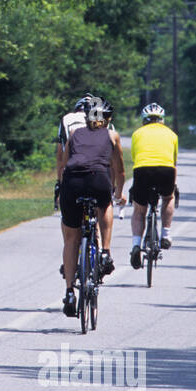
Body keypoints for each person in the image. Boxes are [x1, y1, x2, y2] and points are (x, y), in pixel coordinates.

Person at [59, 101, 126, 316]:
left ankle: (69, 291)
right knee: (104, 204)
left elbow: (63, 166)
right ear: (106, 119)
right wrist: (118, 192)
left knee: (71, 239)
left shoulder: (75, 133)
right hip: (98, 180)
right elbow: (120, 170)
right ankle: (105, 252)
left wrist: (63, 189)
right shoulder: (111, 136)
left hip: (72, 182)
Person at [128, 103, 178, 269]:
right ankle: (166, 234)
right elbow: (173, 162)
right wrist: (173, 186)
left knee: (139, 210)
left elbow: (136, 159)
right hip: (166, 170)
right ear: (162, 120)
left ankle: (136, 244)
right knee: (168, 197)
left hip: (142, 171)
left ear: (144, 120)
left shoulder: (136, 134)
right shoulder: (172, 134)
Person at [54, 94, 98, 209]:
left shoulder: (67, 118)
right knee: (103, 204)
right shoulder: (100, 118)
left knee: (69, 210)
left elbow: (60, 155)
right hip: (97, 168)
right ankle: (98, 226)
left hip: (73, 166)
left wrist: (59, 183)